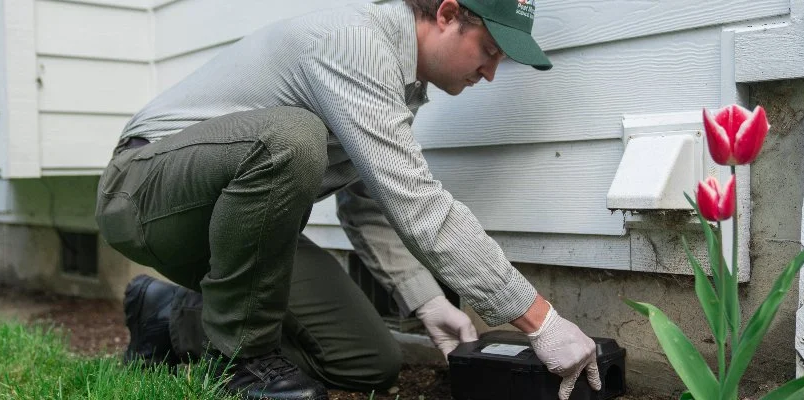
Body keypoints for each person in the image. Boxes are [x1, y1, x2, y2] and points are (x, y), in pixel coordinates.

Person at [95, 0, 601, 399]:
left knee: (367, 362)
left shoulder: (402, 86)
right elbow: (419, 204)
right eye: (489, 50)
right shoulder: (353, 43)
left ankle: (169, 315)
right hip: (143, 191)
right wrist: (538, 318)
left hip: (238, 234)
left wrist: (424, 300)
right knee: (291, 137)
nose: (490, 72)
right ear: (447, 14)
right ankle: (240, 365)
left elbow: (363, 203)